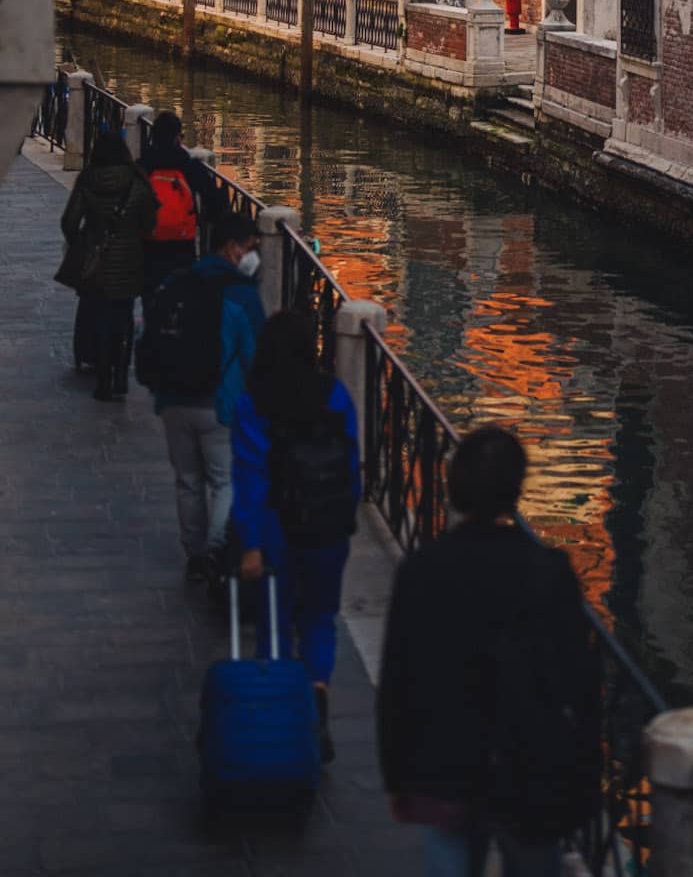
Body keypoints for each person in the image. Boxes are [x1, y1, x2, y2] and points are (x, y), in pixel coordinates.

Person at [377, 425, 601, 877]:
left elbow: (397, 680)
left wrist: (397, 777)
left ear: (454, 487)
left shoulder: (422, 571)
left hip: (444, 764)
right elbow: (580, 681)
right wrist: (582, 770)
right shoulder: (550, 572)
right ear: (515, 490)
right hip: (529, 766)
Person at [230, 309, 361, 764]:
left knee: (274, 625)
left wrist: (249, 543)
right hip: (328, 528)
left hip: (275, 531)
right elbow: (350, 467)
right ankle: (317, 707)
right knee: (319, 619)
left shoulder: (254, 403)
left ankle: (282, 723)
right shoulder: (335, 395)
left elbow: (250, 478)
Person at [140, 210, 265, 586]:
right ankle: (215, 551)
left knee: (188, 480)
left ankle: (194, 555)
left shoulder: (177, 283)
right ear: (231, 249)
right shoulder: (242, 296)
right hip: (218, 405)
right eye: (250, 248)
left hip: (172, 400)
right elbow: (255, 356)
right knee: (224, 481)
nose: (253, 256)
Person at [60, 129, 158, 402]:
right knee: (124, 317)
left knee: (102, 317)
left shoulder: (88, 180)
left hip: (96, 262)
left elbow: (69, 221)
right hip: (129, 261)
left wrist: (83, 243)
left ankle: (103, 380)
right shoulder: (137, 182)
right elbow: (150, 223)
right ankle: (120, 377)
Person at [140, 108, 229, 320]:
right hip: (182, 246)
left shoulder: (143, 165)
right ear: (178, 137)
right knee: (181, 296)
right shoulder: (190, 166)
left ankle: (152, 334)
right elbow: (216, 204)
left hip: (148, 245)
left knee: (151, 295)